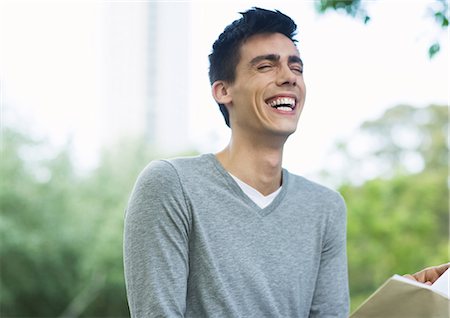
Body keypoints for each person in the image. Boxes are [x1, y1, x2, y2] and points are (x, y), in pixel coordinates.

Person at [123, 7, 448, 318]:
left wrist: (399, 305)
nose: (289, 77)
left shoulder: (325, 207)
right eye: (266, 66)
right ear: (223, 91)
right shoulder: (171, 185)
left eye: (296, 67)